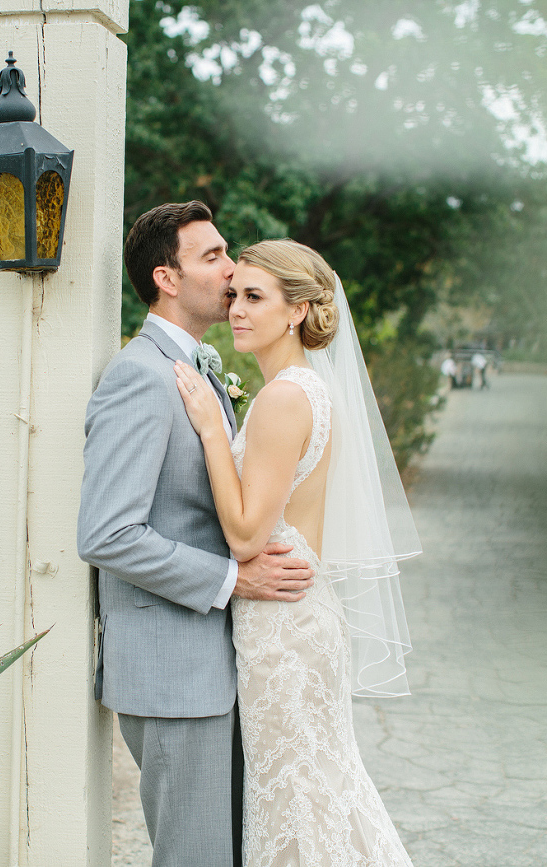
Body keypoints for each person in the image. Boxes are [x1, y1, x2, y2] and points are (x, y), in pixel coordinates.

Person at [77, 203, 315, 867]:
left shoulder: (203, 370)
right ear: (167, 278)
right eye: (211, 256)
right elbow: (106, 532)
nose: (231, 267)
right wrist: (233, 578)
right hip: (171, 674)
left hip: (214, 666)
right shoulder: (139, 375)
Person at [174, 239, 421, 866]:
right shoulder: (307, 388)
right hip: (294, 618)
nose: (236, 309)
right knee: (315, 791)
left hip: (283, 629)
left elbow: (248, 535)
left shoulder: (285, 398)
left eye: (255, 298)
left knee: (301, 798)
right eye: (235, 294)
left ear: (298, 311)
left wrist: (209, 428)